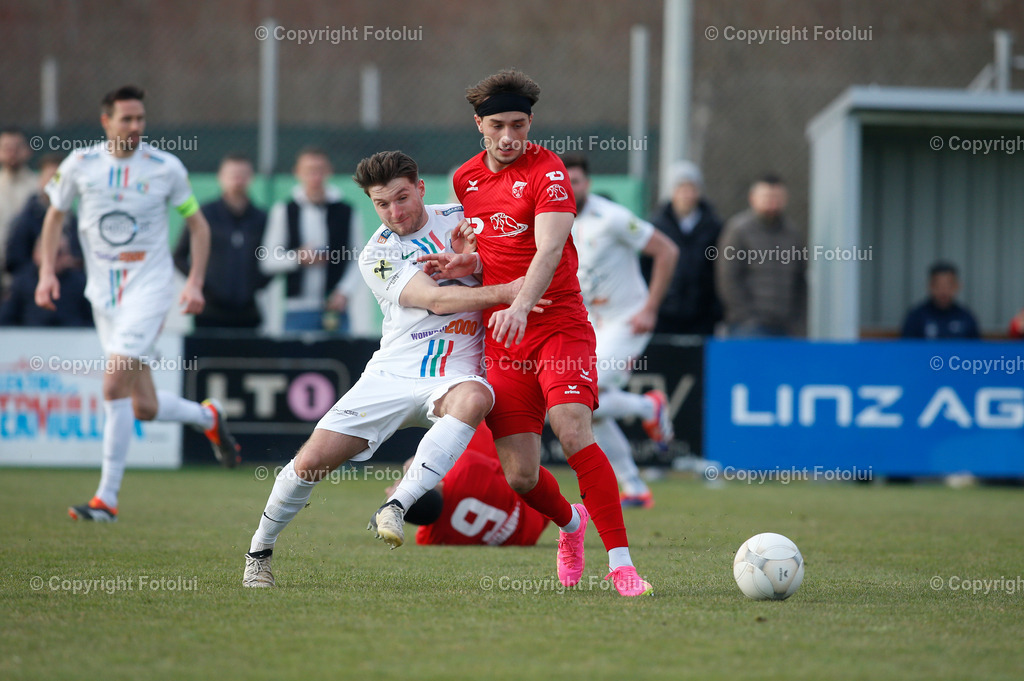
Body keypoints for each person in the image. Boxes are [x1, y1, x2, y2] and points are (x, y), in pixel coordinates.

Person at [242, 150, 544, 588]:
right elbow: (438, 300)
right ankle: (259, 551)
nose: (394, 212)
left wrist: (485, 260)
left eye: (402, 198)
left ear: (421, 188)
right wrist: (510, 291)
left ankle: (397, 505)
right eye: (382, 204)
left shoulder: (464, 215)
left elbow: (520, 243)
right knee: (308, 464)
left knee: (477, 397)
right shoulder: (378, 254)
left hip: (454, 374)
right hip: (392, 375)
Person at [432, 68, 652, 596]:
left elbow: (549, 249)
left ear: (530, 123)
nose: (510, 137)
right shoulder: (465, 179)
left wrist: (522, 304)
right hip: (504, 336)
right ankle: (571, 525)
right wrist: (464, 264)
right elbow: (490, 252)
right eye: (499, 126)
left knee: (573, 430)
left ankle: (622, 565)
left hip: (559, 322)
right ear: (479, 125)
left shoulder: (549, 170)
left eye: (519, 125)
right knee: (521, 477)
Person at [35, 85, 241, 522]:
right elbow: (55, 215)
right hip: (103, 297)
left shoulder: (165, 167)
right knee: (142, 405)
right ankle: (207, 417)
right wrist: (47, 273)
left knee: (112, 387)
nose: (135, 127)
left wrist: (195, 283)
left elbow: (199, 228)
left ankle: (105, 500)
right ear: (105, 121)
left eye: (140, 119)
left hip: (149, 291)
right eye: (126, 119)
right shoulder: (80, 164)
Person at [563, 154, 678, 509]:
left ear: (588, 183)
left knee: (584, 392)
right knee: (587, 408)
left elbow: (667, 251)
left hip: (627, 319)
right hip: (591, 325)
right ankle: (635, 486)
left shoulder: (611, 218)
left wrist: (650, 309)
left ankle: (649, 408)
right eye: (565, 181)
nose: (571, 187)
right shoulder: (554, 220)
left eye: (577, 180)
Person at [389, 423, 551, 546]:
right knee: (468, 426)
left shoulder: (429, 538)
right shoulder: (464, 469)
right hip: (538, 508)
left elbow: (423, 520)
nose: (389, 487)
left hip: (525, 538)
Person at [259, 147, 362, 334]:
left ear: (329, 171)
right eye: (309, 171)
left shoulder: (347, 211)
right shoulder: (284, 210)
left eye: (320, 170)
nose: (315, 176)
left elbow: (359, 258)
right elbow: (268, 260)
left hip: (336, 310)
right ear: (297, 173)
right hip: (297, 310)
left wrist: (344, 291)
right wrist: (298, 258)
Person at [174, 153, 269, 329]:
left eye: (243, 175)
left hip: (248, 313)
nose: (238, 181)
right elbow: (178, 256)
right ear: (221, 178)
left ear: (251, 178)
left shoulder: (261, 218)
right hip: (209, 312)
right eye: (233, 175)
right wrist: (200, 283)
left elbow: (272, 257)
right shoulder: (204, 214)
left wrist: (254, 285)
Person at [716, 174, 806, 337]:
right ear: (753, 198)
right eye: (767, 197)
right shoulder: (738, 231)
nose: (773, 202)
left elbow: (800, 281)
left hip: (785, 327)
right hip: (749, 327)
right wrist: (746, 318)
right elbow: (728, 278)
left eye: (777, 197)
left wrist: (797, 322)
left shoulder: (793, 234)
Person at [646, 160, 723, 336]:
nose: (687, 194)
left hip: (702, 314)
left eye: (692, 188)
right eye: (682, 188)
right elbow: (647, 267)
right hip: (664, 313)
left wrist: (715, 308)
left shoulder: (714, 226)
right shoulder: (656, 226)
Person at [5, 153, 81, 276]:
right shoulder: (25, 218)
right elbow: (14, 260)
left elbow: (80, 255)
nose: (57, 183)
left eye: (62, 177)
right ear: (40, 178)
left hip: (69, 283)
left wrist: (68, 262)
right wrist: (42, 264)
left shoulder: (74, 217)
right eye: (53, 177)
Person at [0, 232, 91, 327]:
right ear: (36, 254)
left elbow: (92, 321)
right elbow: (6, 319)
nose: (53, 258)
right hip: (31, 337)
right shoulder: (22, 282)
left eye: (59, 253)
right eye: (48, 253)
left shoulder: (80, 283)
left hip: (74, 337)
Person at [901, 262, 980, 339]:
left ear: (957, 286)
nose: (943, 291)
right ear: (930, 286)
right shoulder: (916, 317)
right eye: (938, 285)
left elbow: (975, 349)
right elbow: (907, 348)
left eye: (948, 285)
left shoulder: (966, 317)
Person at [0, 127, 39, 282]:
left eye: (17, 147)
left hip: (31, 270)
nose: (12, 153)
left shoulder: (38, 186)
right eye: (6, 148)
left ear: (27, 150)